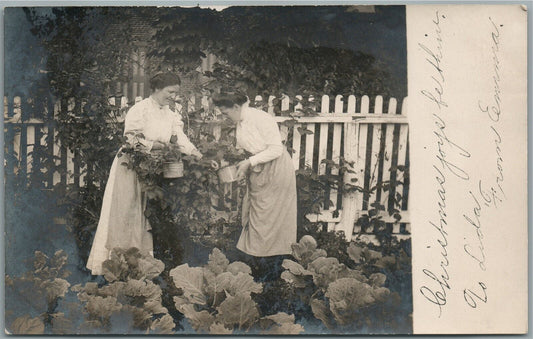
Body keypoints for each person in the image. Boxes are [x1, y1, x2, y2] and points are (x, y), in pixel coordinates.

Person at [86, 73, 203, 275]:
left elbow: (179, 136)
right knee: (127, 212)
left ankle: (144, 264)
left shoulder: (171, 113)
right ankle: (120, 265)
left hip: (155, 169)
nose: (173, 96)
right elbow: (130, 139)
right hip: (131, 166)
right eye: (170, 92)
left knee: (148, 214)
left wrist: (194, 151)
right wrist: (154, 145)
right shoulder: (139, 110)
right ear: (157, 89)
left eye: (175, 93)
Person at [212, 92, 297, 280]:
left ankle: (275, 271)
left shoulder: (261, 118)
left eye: (225, 113)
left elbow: (275, 149)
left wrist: (249, 162)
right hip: (260, 171)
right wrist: (235, 164)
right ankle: (259, 268)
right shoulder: (241, 122)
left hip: (276, 171)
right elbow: (251, 150)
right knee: (257, 216)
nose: (225, 117)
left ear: (236, 107)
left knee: (270, 220)